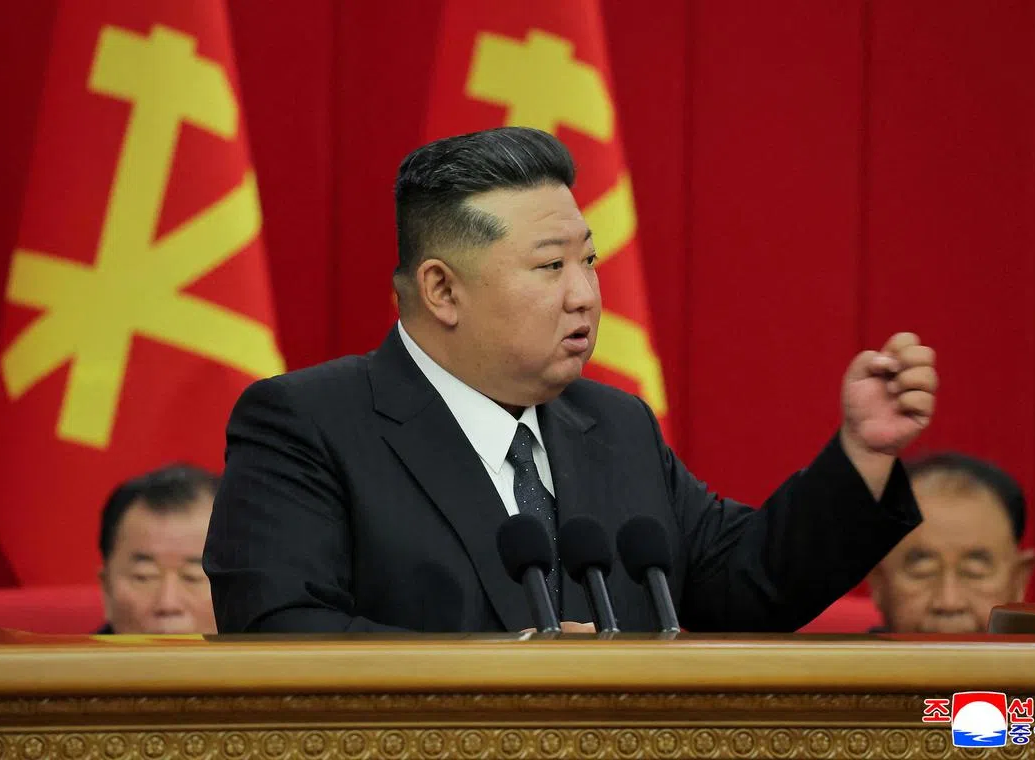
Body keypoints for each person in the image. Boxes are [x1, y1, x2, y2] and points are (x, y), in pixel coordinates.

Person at [204, 126, 939, 634]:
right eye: (551, 266)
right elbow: (283, 632)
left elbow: (745, 586)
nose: (585, 294)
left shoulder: (615, 424)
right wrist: (514, 672)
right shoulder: (307, 424)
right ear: (443, 291)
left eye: (589, 261)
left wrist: (862, 453)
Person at [868, 453, 1035, 633]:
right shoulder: (841, 662)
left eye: (974, 572)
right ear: (879, 582)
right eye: (923, 571)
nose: (949, 602)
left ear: (1019, 580)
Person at [97, 464, 219, 635]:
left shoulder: (267, 659)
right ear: (107, 590)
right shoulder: (65, 662)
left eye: (194, 576)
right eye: (144, 576)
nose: (168, 604)